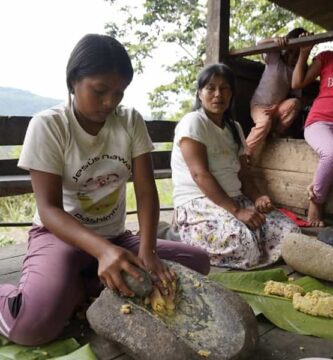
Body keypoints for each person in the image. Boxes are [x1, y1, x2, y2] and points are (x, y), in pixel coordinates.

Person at [0, 34, 210, 346]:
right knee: (29, 328)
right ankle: (50, 287)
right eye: (99, 91)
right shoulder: (49, 126)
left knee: (197, 264)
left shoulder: (129, 121)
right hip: (60, 237)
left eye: (119, 93)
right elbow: (49, 209)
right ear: (73, 82)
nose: (110, 102)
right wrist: (102, 251)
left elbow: (147, 192)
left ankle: (82, 284)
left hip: (116, 237)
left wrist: (148, 250)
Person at [171, 63, 300, 270]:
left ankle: (254, 241)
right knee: (244, 245)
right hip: (199, 202)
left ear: (231, 94)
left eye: (224, 88)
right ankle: (180, 235)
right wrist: (237, 211)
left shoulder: (234, 127)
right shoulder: (193, 122)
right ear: (199, 93)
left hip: (235, 199)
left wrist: (258, 197)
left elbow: (244, 174)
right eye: (210, 88)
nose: (217, 94)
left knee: (291, 234)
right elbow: (200, 175)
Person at [246, 28, 307, 157]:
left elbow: (297, 97)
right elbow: (259, 44)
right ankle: (245, 154)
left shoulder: (296, 72)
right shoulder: (274, 59)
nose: (292, 57)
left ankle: (276, 134)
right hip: (259, 106)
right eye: (290, 51)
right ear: (286, 48)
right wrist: (275, 40)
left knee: (295, 103)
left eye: (296, 55)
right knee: (264, 123)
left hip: (276, 110)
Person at [292, 43, 333, 227]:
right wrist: (304, 53)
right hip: (319, 122)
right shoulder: (326, 57)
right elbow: (297, 83)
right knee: (331, 153)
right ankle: (316, 201)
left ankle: (316, 186)